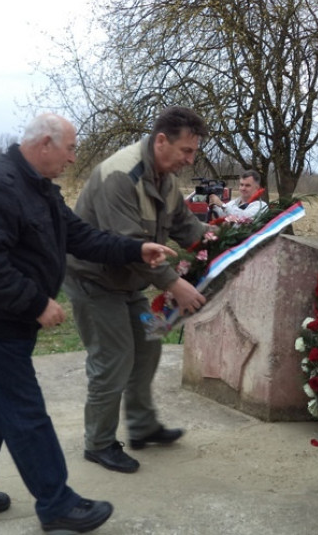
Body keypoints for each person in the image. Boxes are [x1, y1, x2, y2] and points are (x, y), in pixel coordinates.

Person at [0, 113, 176, 534]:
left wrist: (136, 249)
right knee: (25, 413)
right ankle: (58, 503)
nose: (73, 158)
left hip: (5, 320)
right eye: (70, 148)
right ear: (45, 144)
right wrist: (35, 303)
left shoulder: (38, 188)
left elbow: (80, 236)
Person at [62, 106, 209, 474]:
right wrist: (176, 285)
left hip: (130, 285)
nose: (190, 161)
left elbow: (187, 226)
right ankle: (98, 444)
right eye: (186, 152)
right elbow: (128, 247)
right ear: (162, 141)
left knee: (149, 343)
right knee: (113, 358)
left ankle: (143, 427)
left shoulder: (166, 176)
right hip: (94, 281)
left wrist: (233, 239)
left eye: (194, 152)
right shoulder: (119, 175)